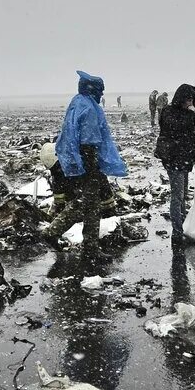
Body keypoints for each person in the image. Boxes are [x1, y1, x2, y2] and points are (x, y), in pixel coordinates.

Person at [42, 71, 127, 264]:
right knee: (89, 205)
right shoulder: (88, 108)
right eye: (100, 90)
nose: (101, 94)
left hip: (77, 161)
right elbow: (89, 140)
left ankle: (88, 247)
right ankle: (82, 245)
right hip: (87, 161)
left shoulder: (78, 103)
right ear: (92, 89)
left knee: (87, 204)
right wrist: (94, 165)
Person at [155, 84, 195, 243]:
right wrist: (189, 116)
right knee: (178, 196)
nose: (190, 102)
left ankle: (181, 227)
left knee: (181, 194)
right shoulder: (169, 112)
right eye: (188, 99)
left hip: (182, 158)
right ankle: (177, 231)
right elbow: (174, 131)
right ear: (182, 98)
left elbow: (193, 137)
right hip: (173, 158)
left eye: (192, 100)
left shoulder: (186, 114)